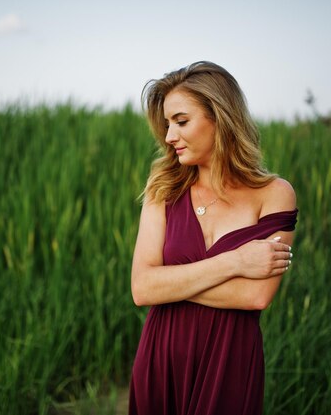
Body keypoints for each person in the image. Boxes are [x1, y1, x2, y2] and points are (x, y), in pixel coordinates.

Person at [128, 61, 298, 415]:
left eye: (181, 121)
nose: (169, 136)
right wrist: (236, 261)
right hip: (161, 357)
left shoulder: (274, 194)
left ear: (219, 117)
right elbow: (143, 288)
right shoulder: (164, 191)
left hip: (230, 362)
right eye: (166, 124)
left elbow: (256, 295)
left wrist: (172, 285)